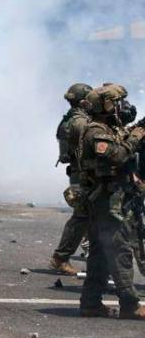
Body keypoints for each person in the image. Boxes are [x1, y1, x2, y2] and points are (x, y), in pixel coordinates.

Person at [76, 83, 145, 320]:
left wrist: (138, 129)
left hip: (111, 197)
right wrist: (137, 135)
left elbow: (125, 143)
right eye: (115, 103)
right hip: (106, 200)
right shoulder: (96, 132)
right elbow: (118, 155)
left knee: (101, 254)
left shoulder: (109, 128)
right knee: (119, 250)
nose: (120, 107)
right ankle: (130, 304)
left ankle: (90, 303)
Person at [49, 83, 93, 276]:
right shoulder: (81, 122)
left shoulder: (70, 119)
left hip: (78, 172)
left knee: (87, 216)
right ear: (84, 101)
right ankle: (61, 258)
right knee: (81, 217)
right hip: (84, 174)